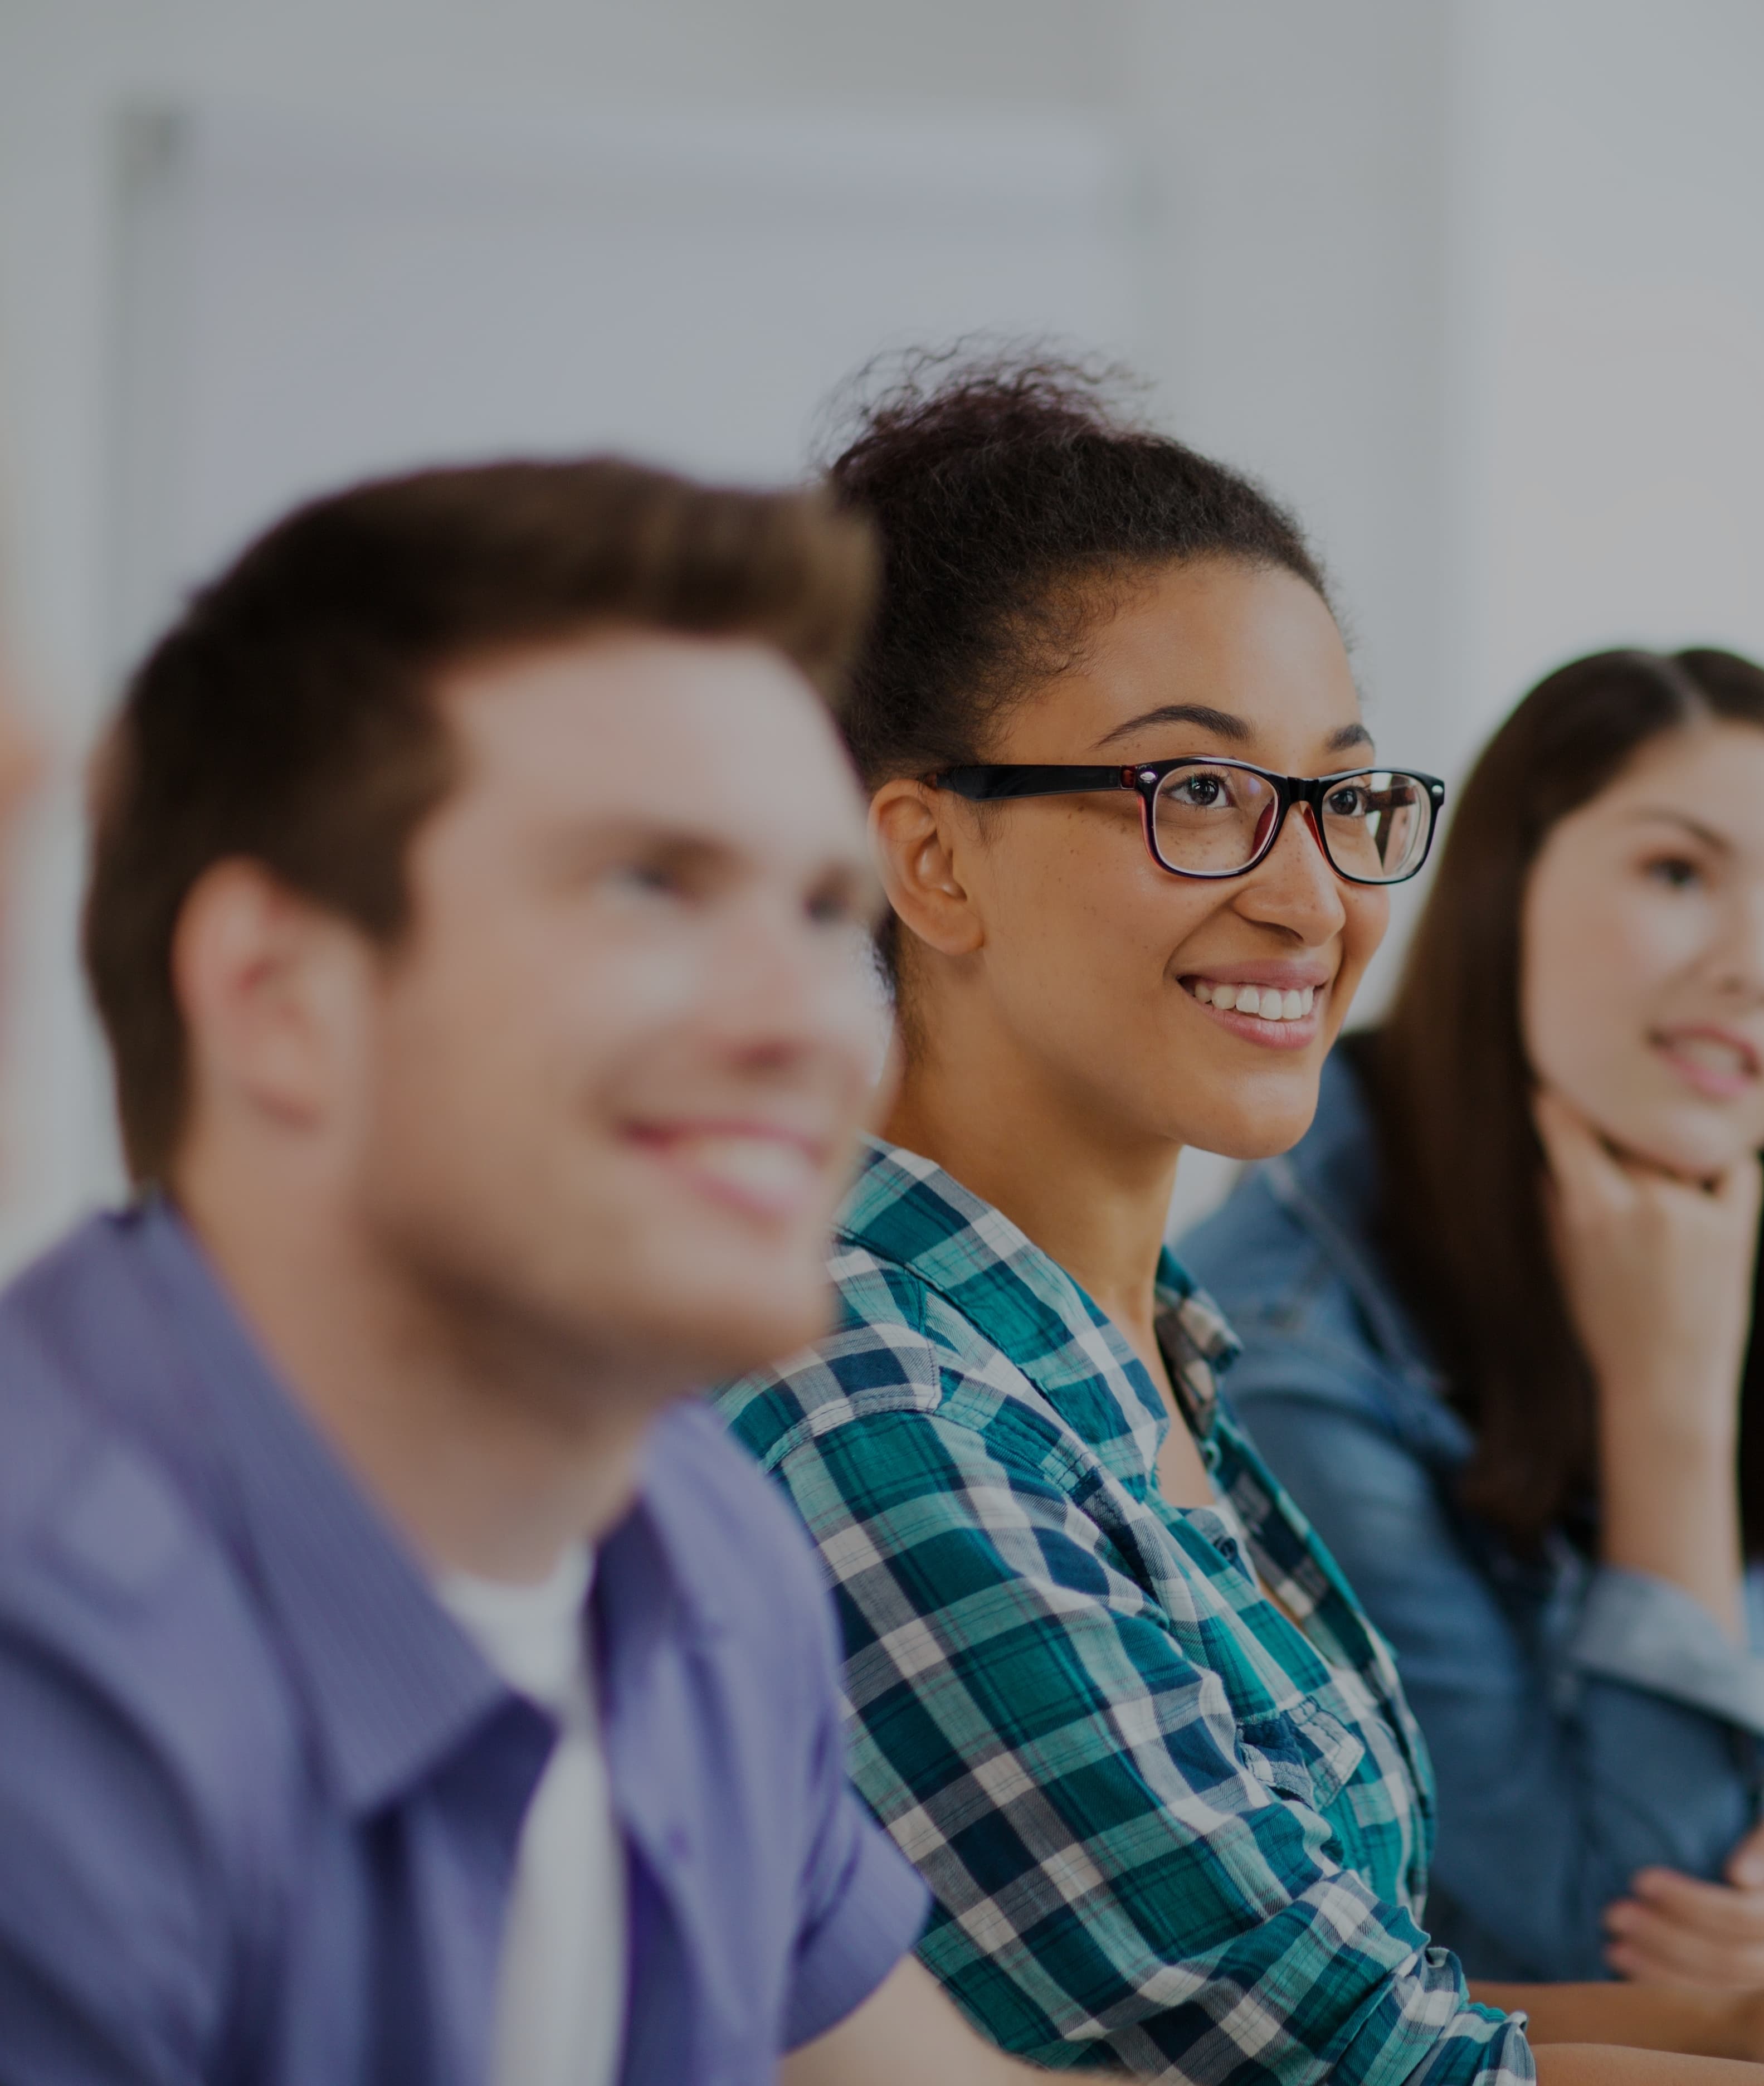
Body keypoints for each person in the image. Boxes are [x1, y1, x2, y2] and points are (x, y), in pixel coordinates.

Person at [710, 354, 1764, 2086]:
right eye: (1194, 795)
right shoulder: (876, 1400)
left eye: (1341, 800)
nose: (1311, 898)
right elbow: (1339, 2079)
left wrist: (1743, 2016)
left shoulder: (1133, 1359)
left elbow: (1337, 1996)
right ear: (931, 860)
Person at [0, 459, 1097, 2082]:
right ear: (276, 995)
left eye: (817, 911)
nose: (807, 1024)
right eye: (650, 885)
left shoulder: (703, 1541)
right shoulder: (51, 1670)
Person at [1181, 648, 1764, 1986]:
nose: (1754, 971)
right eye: (1676, 876)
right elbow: (1608, 1935)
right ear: (1505, 892)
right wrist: (1669, 1421)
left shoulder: (1662, 1223)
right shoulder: (1288, 1348)